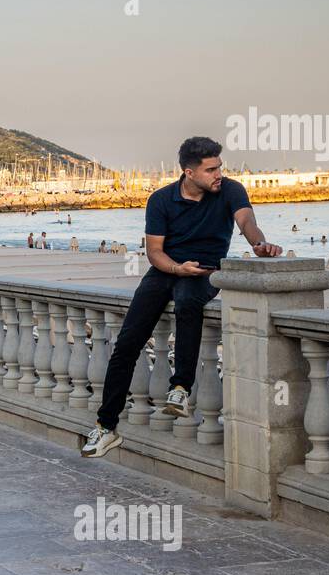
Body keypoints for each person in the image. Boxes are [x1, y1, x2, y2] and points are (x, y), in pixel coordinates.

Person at [81, 136, 281, 459]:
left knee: (188, 301)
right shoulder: (160, 200)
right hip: (167, 268)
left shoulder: (230, 190)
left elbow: (247, 222)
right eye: (211, 169)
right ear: (189, 173)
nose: (219, 174)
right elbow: (154, 253)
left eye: (219, 166)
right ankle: (106, 427)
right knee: (128, 341)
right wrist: (176, 268)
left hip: (205, 270)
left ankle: (181, 388)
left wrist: (260, 244)